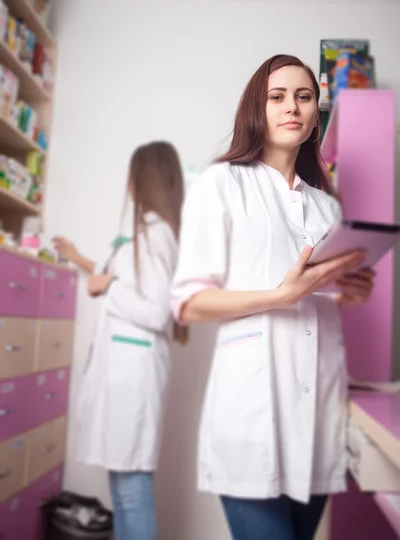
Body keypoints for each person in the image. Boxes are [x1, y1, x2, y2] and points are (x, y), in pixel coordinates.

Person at [170, 55, 374, 540]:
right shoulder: (222, 184)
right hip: (252, 416)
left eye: (304, 97)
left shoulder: (327, 206)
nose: (292, 107)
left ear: (314, 115)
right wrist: (279, 296)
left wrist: (347, 294)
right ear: (255, 110)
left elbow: (315, 298)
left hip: (319, 417)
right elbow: (188, 303)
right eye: (277, 96)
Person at [53, 141, 185, 540]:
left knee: (131, 493)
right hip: (125, 375)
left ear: (144, 178)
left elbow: (156, 310)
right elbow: (124, 278)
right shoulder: (145, 233)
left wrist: (107, 285)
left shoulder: (157, 235)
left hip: (134, 377)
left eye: (132, 173)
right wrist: (81, 260)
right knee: (123, 488)